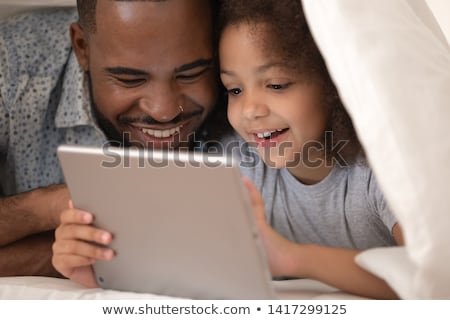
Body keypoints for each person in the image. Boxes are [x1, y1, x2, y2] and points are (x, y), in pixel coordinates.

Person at [0, 0, 227, 277]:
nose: (164, 111)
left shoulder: (251, 72)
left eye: (191, 74)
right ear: (82, 48)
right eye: (130, 80)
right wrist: (56, 206)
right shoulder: (10, 66)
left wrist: (99, 253)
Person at [217, 0, 403, 299]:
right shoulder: (234, 163)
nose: (250, 109)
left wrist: (292, 258)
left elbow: (432, 276)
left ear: (334, 82)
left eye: (276, 85)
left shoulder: (382, 170)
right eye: (234, 90)